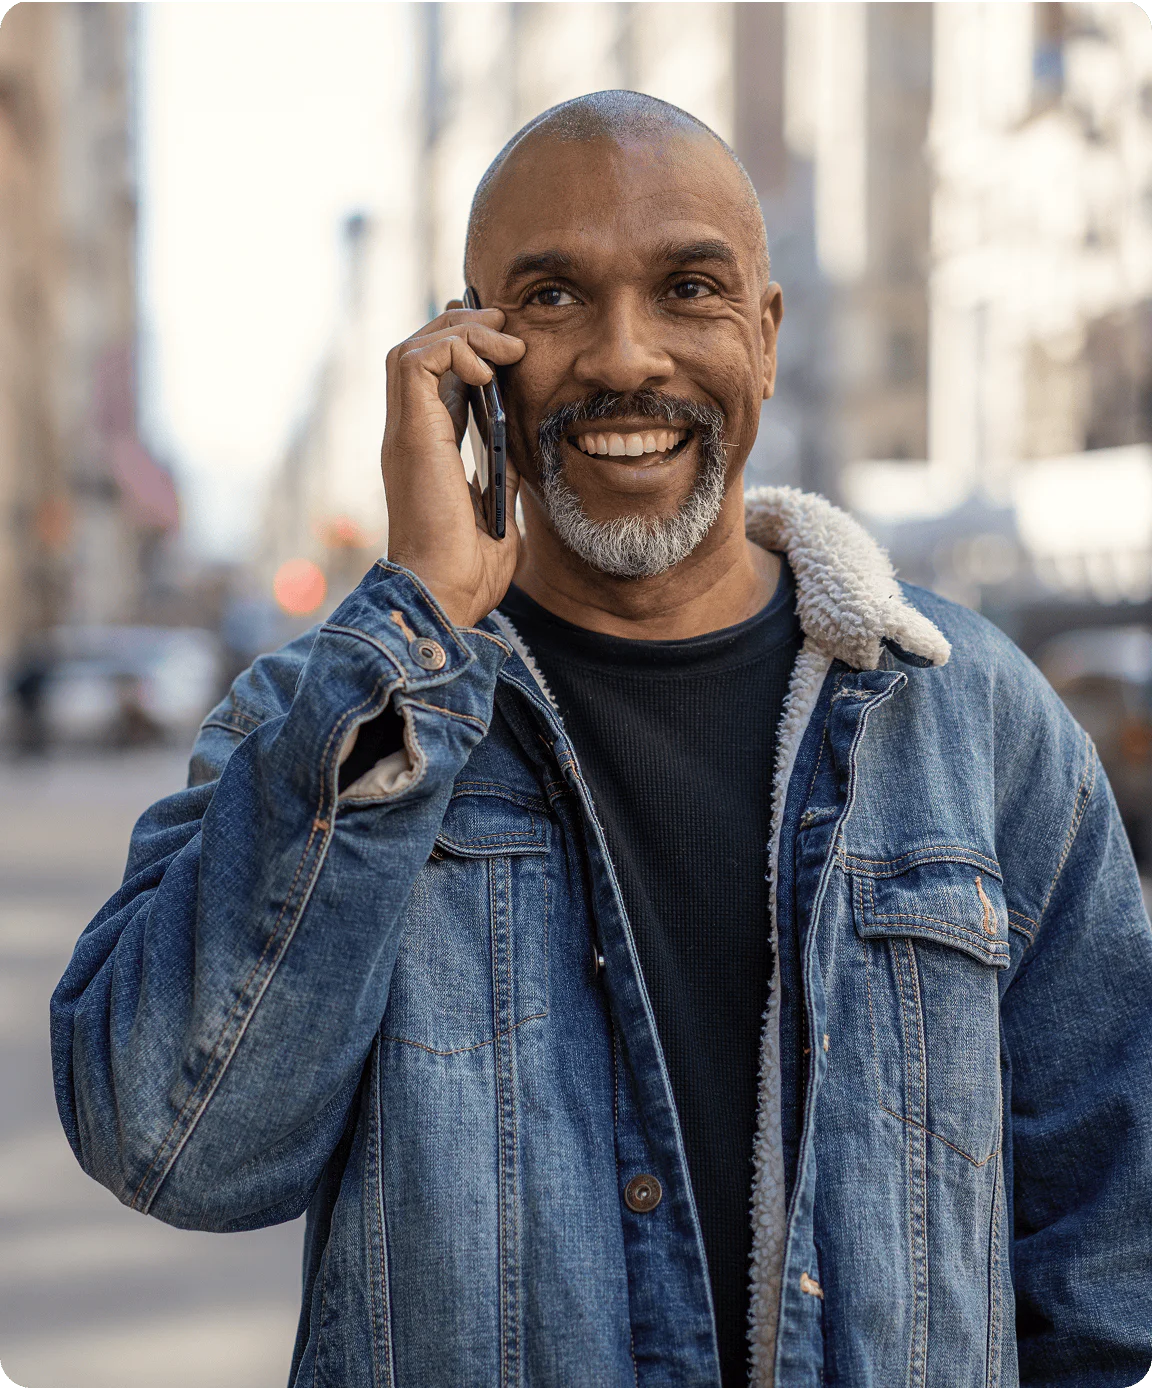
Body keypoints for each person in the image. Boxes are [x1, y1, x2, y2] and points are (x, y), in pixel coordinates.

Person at [51, 92, 1152, 1388]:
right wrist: (413, 627)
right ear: (469, 350)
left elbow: (1110, 1276)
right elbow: (177, 1146)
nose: (627, 356)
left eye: (688, 287)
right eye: (555, 297)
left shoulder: (976, 720)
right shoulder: (341, 722)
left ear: (766, 334)